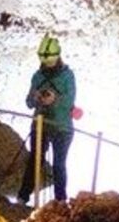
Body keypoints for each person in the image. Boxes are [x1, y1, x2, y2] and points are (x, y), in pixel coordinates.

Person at [17, 34, 76, 204]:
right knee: (35, 161)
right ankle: (22, 198)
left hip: (62, 127)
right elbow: (28, 103)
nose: (47, 65)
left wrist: (55, 99)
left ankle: (60, 201)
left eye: (50, 62)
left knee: (59, 164)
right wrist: (35, 97)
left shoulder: (68, 76)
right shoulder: (37, 76)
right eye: (45, 62)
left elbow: (70, 100)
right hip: (40, 125)